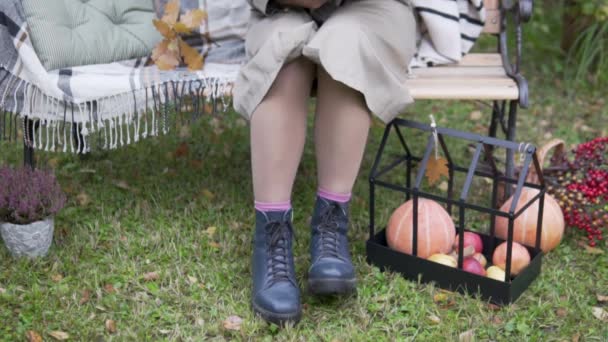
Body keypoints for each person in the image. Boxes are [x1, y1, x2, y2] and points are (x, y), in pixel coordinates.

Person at [233, 0, 417, 325]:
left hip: (372, 9)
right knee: (283, 50)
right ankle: (272, 238)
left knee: (348, 42)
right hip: (282, 8)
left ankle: (331, 226)